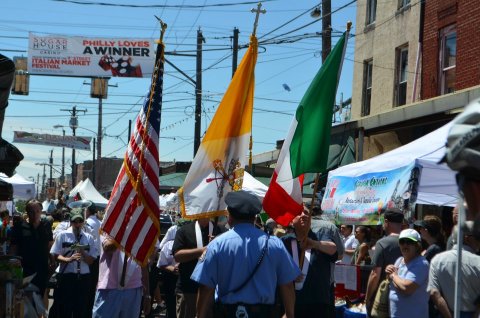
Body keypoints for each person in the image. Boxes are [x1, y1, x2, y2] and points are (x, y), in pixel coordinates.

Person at [191, 190, 301, 318]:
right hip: (263, 313)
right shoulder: (274, 244)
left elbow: (206, 287)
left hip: (227, 312)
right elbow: (287, 284)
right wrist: (290, 314)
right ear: (254, 218)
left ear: (230, 216)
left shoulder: (217, 245)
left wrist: (200, 316)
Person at [282, 206, 338, 318]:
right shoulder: (285, 242)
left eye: (307, 213)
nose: (304, 215)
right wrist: (288, 274)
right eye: (299, 213)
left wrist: (314, 243)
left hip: (318, 303)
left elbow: (333, 249)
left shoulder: (320, 236)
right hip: (292, 303)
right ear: (292, 221)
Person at [172, 215, 225, 318]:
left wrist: (217, 246)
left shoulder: (221, 231)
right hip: (188, 289)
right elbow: (177, 256)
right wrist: (202, 250)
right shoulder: (184, 230)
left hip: (212, 291)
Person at [49, 209, 98, 317]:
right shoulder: (63, 235)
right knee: (65, 309)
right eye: (75, 221)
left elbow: (91, 261)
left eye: (80, 221)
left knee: (81, 309)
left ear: (83, 222)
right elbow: (55, 254)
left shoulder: (89, 237)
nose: (77, 224)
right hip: (67, 277)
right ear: (71, 221)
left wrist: (82, 252)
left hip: (84, 278)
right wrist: (69, 259)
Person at [428, 221, 480, 318]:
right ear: (466, 238)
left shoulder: (437, 260)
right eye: (477, 237)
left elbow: (434, 292)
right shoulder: (478, 262)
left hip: (445, 313)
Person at [92, 234, 151, 317]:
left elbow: (144, 265)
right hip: (109, 290)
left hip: (134, 290)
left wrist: (147, 294)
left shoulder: (141, 230)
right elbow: (108, 248)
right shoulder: (110, 226)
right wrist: (126, 232)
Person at [9, 199, 55, 299]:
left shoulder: (46, 225)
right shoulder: (20, 227)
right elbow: (14, 248)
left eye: (37, 211)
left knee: (40, 298)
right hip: (25, 270)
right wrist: (13, 264)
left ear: (41, 211)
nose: (35, 214)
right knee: (26, 299)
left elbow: (50, 246)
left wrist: (52, 261)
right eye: (31, 212)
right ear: (27, 212)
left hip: (42, 269)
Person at [365, 207, 404, 315]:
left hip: (385, 300)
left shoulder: (382, 243)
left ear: (386, 221)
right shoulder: (412, 242)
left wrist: (367, 299)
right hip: (406, 297)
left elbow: (375, 274)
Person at [385, 229, 429, 318]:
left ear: (417, 245)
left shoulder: (421, 264)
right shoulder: (399, 260)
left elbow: (406, 288)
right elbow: (393, 281)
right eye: (402, 242)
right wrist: (389, 271)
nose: (405, 245)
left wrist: (393, 275)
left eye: (409, 242)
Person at [84, 202, 101, 317]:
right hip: (98, 258)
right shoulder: (100, 222)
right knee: (93, 287)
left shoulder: (87, 223)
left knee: (86, 287)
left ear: (88, 211)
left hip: (89, 257)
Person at [157, 237, 178, 318]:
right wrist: (172, 268)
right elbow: (161, 264)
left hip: (187, 279)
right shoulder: (168, 245)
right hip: (171, 278)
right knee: (171, 307)